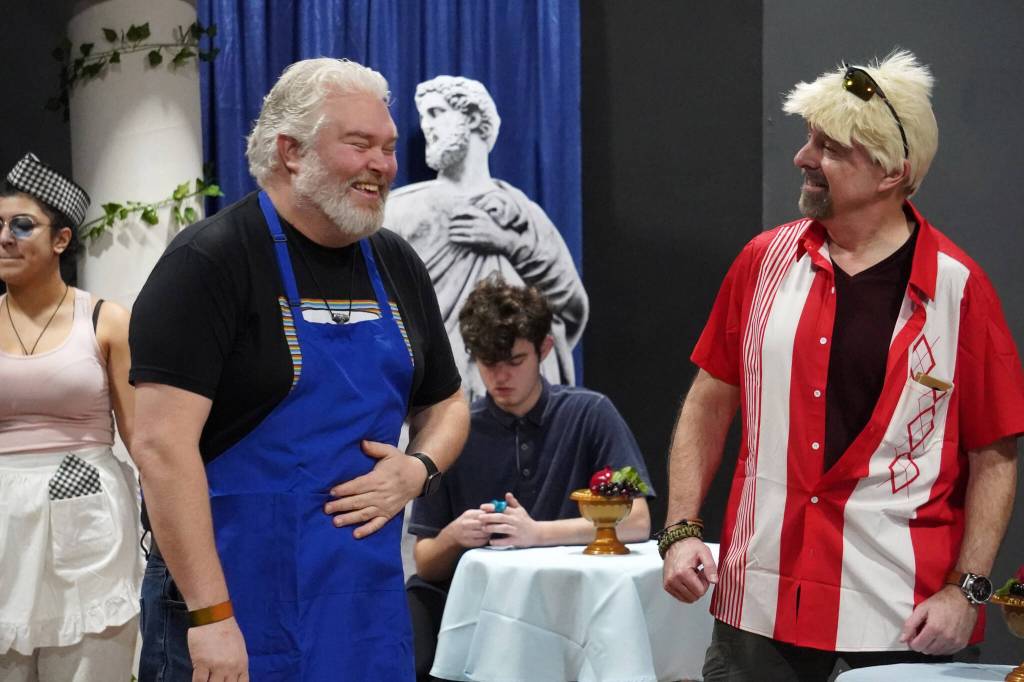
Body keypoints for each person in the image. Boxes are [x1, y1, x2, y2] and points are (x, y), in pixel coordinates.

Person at [660, 50, 1024, 681]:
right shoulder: (761, 262)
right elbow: (709, 397)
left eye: (830, 147)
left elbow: (995, 452)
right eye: (809, 140)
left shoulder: (959, 289)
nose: (804, 158)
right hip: (760, 605)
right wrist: (680, 527)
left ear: (891, 173)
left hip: (901, 616)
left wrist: (967, 590)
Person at [129, 58, 469, 681]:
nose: (384, 165)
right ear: (291, 151)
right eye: (361, 144)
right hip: (229, 600)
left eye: (390, 148)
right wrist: (210, 619)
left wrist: (418, 470)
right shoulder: (210, 261)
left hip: (360, 605)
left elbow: (447, 404)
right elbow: (159, 445)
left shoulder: (395, 262)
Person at [405, 275, 652, 681]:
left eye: (515, 361)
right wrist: (455, 536)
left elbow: (637, 521)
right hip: (471, 605)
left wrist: (536, 533)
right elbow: (426, 562)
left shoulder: (590, 414)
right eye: (488, 363)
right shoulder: (453, 431)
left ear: (545, 350)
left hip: (565, 601)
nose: (500, 377)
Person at [0, 153, 142, 681]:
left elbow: (145, 441)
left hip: (86, 506)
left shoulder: (106, 321)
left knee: (90, 662)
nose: (6, 238)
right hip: (3, 515)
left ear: (61, 239)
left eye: (22, 225)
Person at [385, 76, 589, 401]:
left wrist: (509, 244)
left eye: (437, 112)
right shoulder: (399, 210)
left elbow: (571, 307)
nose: (428, 126)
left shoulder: (523, 213)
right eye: (424, 117)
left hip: (515, 407)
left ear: (474, 118)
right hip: (432, 396)